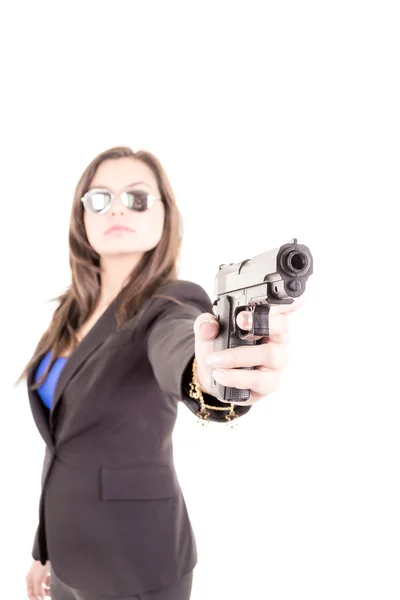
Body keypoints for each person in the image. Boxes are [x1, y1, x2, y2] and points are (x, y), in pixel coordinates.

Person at [18, 146, 304, 600]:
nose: (116, 208)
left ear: (164, 215)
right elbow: (60, 446)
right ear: (82, 217)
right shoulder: (68, 314)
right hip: (68, 557)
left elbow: (182, 347)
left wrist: (215, 371)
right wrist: (43, 547)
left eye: (137, 198)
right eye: (99, 198)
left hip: (137, 564)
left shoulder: (171, 303)